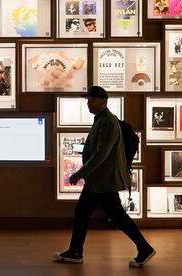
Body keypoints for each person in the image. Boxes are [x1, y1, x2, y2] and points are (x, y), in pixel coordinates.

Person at [53, 86, 156, 267]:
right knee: (91, 213)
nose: (88, 103)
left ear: (103, 102)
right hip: (99, 180)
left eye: (92, 100)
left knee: (112, 216)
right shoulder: (101, 119)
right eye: (88, 100)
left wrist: (80, 173)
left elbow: (102, 153)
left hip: (103, 180)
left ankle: (144, 248)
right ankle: (76, 251)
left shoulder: (107, 122)